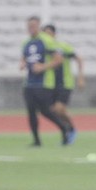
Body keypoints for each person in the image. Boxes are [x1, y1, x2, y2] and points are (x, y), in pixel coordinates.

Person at [20, 16, 69, 146]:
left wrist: (43, 67)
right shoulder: (26, 43)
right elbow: (25, 58)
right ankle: (36, 140)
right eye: (29, 26)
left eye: (34, 26)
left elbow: (59, 60)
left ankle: (64, 128)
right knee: (31, 112)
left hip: (44, 83)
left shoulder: (47, 41)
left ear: (38, 26)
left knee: (46, 111)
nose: (31, 29)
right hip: (29, 83)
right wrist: (23, 63)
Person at [43, 24, 84, 144]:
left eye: (49, 33)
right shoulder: (44, 49)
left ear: (54, 34)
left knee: (59, 109)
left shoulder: (62, 46)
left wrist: (81, 77)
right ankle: (66, 130)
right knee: (52, 110)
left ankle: (71, 128)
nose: (47, 36)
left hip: (65, 82)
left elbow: (78, 58)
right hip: (51, 84)